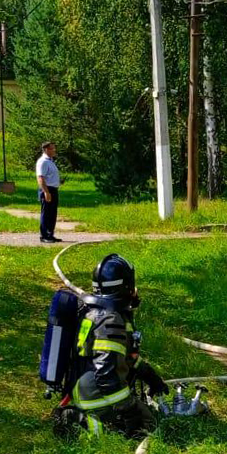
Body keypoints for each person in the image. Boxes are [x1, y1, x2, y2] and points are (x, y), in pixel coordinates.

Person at [72, 254, 169, 437]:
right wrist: (129, 410)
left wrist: (150, 376)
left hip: (87, 388)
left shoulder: (98, 312)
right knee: (149, 425)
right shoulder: (111, 321)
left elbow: (125, 358)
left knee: (149, 417)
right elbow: (106, 375)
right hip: (97, 396)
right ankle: (84, 424)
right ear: (125, 287)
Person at [36, 141, 63, 243]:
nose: (54, 150)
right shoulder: (43, 161)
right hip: (47, 189)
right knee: (46, 213)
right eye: (52, 148)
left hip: (53, 189)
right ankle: (44, 236)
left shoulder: (50, 161)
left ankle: (50, 234)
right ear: (46, 149)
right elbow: (40, 178)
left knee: (52, 213)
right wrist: (46, 192)